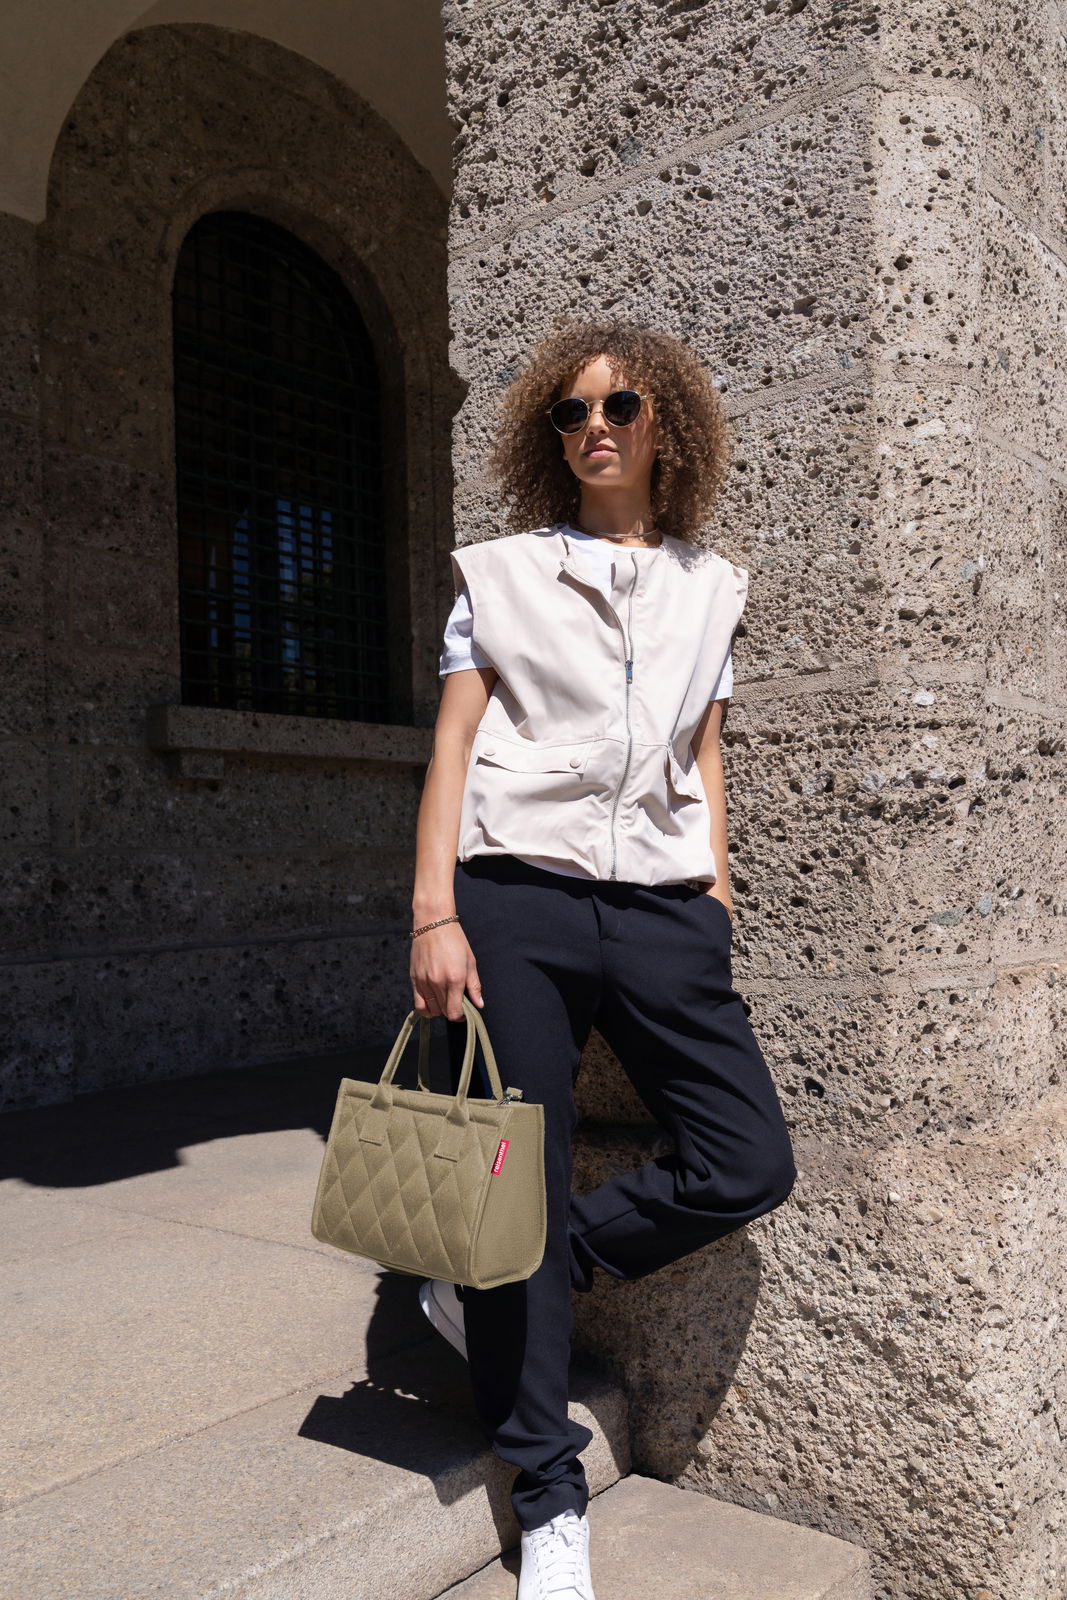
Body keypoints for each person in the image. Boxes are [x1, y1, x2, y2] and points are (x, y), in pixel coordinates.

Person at [408, 319, 797, 1600]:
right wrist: (433, 914)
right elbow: (456, 748)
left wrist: (716, 889)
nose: (596, 427)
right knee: (523, 1155)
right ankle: (549, 1488)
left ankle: (526, 1270)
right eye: (572, 412)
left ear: (661, 425)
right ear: (548, 435)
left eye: (620, 406)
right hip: (513, 895)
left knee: (744, 1156)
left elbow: (702, 753)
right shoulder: (503, 572)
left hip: (661, 910)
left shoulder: (710, 587)